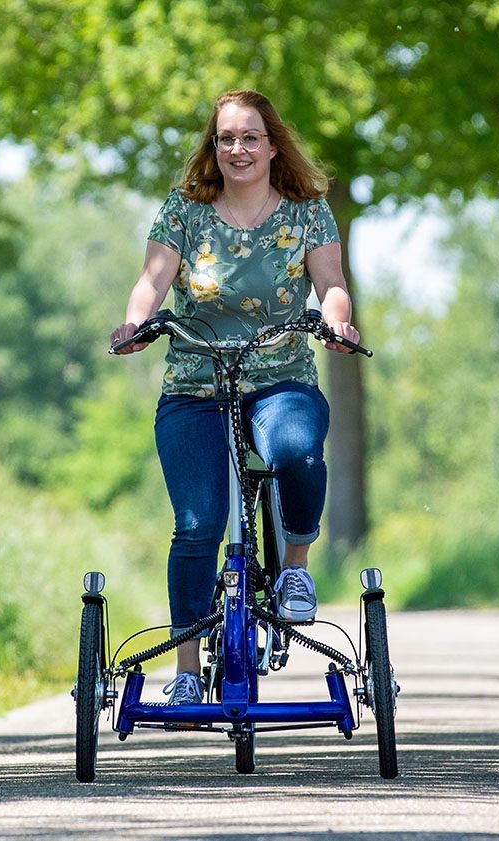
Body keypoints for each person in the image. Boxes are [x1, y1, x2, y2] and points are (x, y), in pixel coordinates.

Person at [110, 89, 361, 706]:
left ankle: (295, 571)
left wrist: (336, 322)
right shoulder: (184, 211)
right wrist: (136, 322)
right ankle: (188, 670)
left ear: (273, 146)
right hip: (196, 382)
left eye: (250, 137)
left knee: (297, 452)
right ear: (213, 148)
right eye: (227, 139)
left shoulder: (306, 211)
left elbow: (330, 283)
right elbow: (153, 279)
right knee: (196, 526)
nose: (238, 149)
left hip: (280, 376)